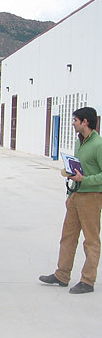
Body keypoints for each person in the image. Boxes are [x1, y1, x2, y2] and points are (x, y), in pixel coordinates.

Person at [40, 106, 102, 294]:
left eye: (75, 120)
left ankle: (88, 281)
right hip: (75, 195)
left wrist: (85, 180)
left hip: (91, 197)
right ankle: (62, 274)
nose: (73, 123)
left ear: (85, 122)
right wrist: (70, 180)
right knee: (68, 237)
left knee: (91, 241)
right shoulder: (79, 142)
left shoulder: (98, 144)